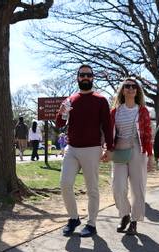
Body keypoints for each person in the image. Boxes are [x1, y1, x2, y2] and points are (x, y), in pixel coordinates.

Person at [55, 64, 113, 238]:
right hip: (72, 149)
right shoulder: (70, 99)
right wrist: (62, 113)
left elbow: (108, 127)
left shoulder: (101, 100)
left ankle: (92, 224)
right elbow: (59, 124)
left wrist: (109, 148)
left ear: (93, 77)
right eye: (82, 75)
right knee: (65, 184)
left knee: (92, 188)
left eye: (88, 75)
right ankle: (73, 218)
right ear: (77, 78)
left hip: (92, 149)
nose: (85, 77)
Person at [106, 78, 154, 235]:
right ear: (123, 90)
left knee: (137, 188)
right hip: (119, 150)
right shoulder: (115, 112)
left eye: (134, 86)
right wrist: (107, 149)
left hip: (137, 150)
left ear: (137, 91)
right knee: (118, 187)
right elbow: (108, 133)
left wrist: (150, 155)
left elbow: (147, 134)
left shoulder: (143, 111)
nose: (131, 88)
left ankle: (134, 220)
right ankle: (125, 214)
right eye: (127, 86)